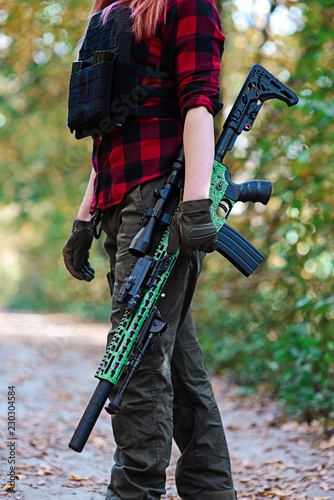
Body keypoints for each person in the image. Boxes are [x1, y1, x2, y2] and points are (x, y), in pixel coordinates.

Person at [63, 0, 237, 498]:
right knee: (177, 366)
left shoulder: (185, 4)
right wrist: (85, 217)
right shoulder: (111, 11)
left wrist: (198, 202)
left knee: (135, 361)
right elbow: (109, 136)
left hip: (160, 203)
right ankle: (211, 491)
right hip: (118, 204)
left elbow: (198, 103)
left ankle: (133, 491)